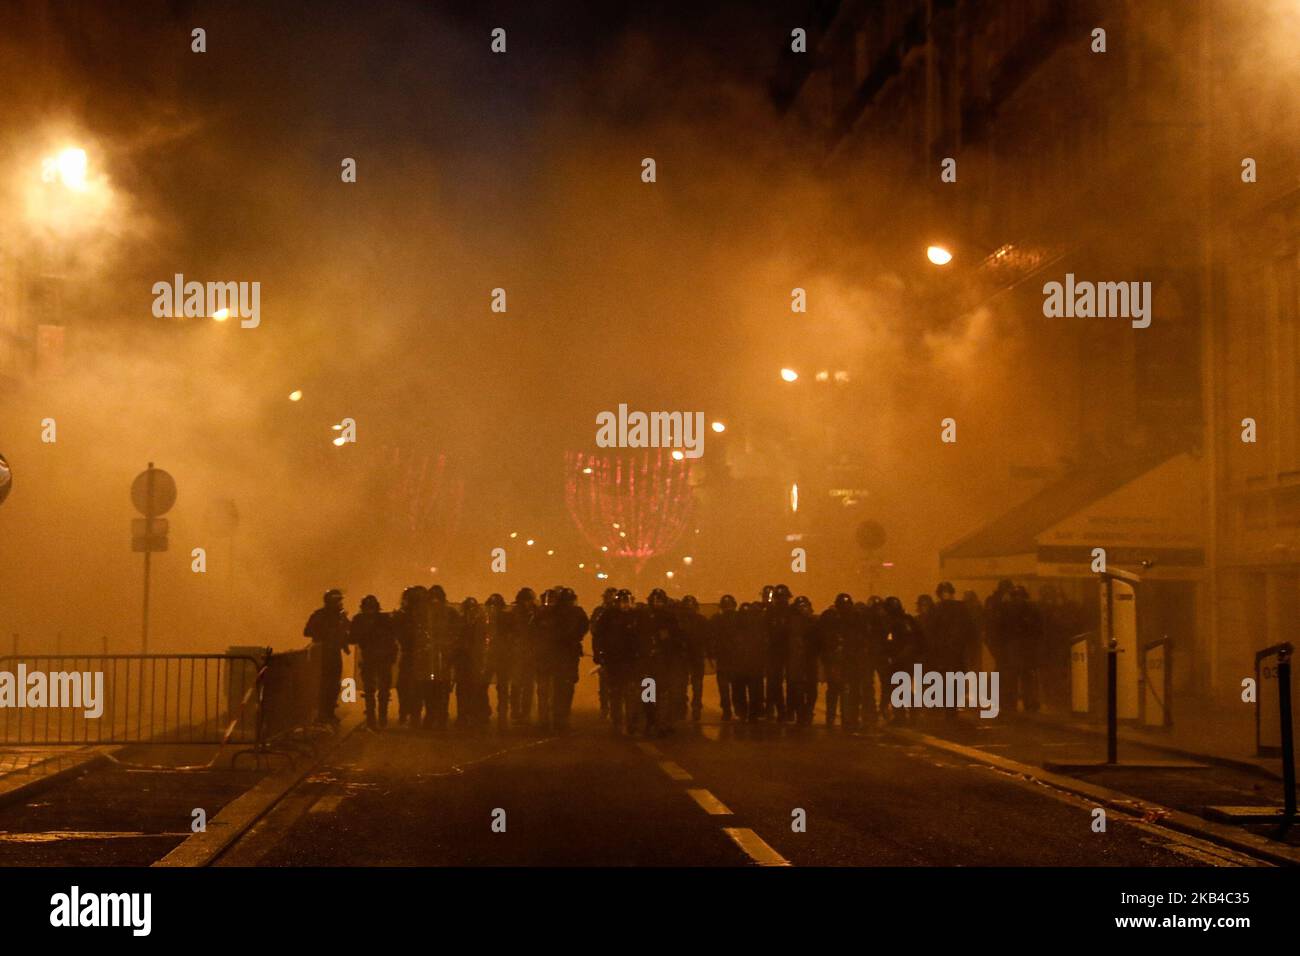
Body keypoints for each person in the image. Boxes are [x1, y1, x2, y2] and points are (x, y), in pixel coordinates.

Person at [537, 587, 588, 732]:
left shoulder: (557, 612)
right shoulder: (572, 612)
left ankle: (556, 718)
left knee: (560, 688)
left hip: (561, 655)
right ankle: (560, 718)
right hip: (562, 655)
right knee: (563, 689)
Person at [926, 582, 977, 721]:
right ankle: (951, 707)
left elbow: (931, 631)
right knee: (954, 678)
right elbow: (970, 629)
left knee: (948, 678)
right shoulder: (960, 608)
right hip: (954, 650)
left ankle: (950, 707)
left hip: (948, 651)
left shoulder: (938, 609)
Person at [595, 589, 641, 734]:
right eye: (623, 601)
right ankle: (617, 721)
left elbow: (644, 636)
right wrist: (599, 654)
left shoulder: (637, 616)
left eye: (627, 601)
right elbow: (598, 636)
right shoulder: (608, 616)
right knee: (615, 692)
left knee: (632, 692)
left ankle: (632, 721)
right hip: (613, 660)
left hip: (632, 660)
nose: (625, 605)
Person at [640, 588, 685, 735]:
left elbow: (677, 640)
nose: (656, 603)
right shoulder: (645, 617)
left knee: (664, 694)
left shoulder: (670, 617)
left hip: (665, 662)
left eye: (659, 600)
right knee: (648, 694)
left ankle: (662, 723)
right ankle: (650, 721)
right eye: (654, 600)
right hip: (648, 662)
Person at [349, 594, 396, 730]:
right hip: (382, 658)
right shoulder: (384, 619)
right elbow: (392, 638)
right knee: (382, 689)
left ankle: (372, 718)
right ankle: (381, 717)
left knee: (371, 690)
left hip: (371, 658)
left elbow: (352, 639)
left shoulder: (359, 620)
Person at [303, 589, 350, 725]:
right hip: (322, 654)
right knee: (323, 684)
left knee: (334, 684)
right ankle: (322, 714)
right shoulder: (319, 615)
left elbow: (349, 630)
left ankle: (329, 712)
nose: (340, 604)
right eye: (338, 601)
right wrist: (327, 632)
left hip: (335, 654)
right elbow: (307, 631)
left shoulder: (340, 616)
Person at [424, 585, 461, 729]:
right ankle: (435, 716)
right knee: (434, 687)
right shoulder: (429, 614)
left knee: (439, 687)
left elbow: (457, 632)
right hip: (434, 655)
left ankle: (437, 716)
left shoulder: (448, 613)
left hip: (442, 655)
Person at [818, 593, 857, 729]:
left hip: (842, 659)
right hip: (836, 659)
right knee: (839, 689)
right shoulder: (835, 619)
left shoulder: (847, 620)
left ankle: (836, 718)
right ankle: (838, 718)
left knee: (839, 689)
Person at [393, 586, 428, 727]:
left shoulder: (404, 616)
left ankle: (408, 713)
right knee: (414, 685)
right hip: (417, 654)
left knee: (406, 685)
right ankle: (413, 713)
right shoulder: (421, 615)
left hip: (412, 654)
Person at [456, 597, 490, 728]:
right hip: (465, 659)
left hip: (473, 659)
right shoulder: (463, 622)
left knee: (476, 688)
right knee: (466, 689)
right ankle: (466, 715)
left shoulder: (478, 622)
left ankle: (476, 714)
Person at [786, 596, 819, 724]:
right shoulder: (795, 622)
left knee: (807, 687)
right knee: (800, 687)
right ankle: (802, 712)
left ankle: (804, 712)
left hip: (805, 658)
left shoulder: (811, 622)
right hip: (798, 659)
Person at [508, 588, 539, 725]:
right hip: (519, 653)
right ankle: (516, 710)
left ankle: (522, 711)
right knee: (518, 683)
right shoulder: (517, 614)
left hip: (527, 653)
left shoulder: (534, 613)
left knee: (526, 684)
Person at [707, 594, 740, 721]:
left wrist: (711, 654)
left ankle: (727, 710)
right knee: (736, 686)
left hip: (723, 657)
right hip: (736, 657)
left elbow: (710, 638)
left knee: (724, 686)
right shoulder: (739, 618)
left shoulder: (716, 619)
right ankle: (737, 708)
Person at [765, 584, 795, 721]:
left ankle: (785, 711)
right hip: (777, 652)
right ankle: (784, 711)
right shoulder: (771, 613)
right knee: (778, 683)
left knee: (784, 683)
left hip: (785, 652)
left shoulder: (774, 612)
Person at [484, 593, 512, 730]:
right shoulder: (485, 619)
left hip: (499, 657)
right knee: (491, 686)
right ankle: (492, 712)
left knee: (500, 687)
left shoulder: (485, 619)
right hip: (495, 657)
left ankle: (499, 714)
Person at [678, 595, 708, 721]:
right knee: (695, 684)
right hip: (694, 655)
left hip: (686, 655)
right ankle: (694, 707)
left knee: (683, 683)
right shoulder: (701, 620)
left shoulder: (679, 620)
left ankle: (684, 707)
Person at [590, 587, 618, 720]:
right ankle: (605, 708)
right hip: (606, 651)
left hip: (621, 653)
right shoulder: (600, 612)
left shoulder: (625, 613)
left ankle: (615, 708)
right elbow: (595, 632)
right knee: (605, 681)